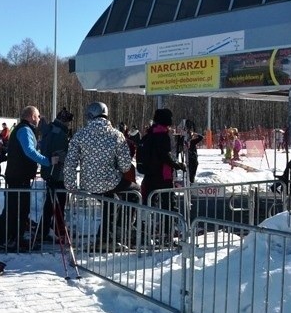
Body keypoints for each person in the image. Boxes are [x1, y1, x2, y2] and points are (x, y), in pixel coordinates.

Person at [63, 102, 138, 251]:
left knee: (111, 202)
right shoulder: (116, 134)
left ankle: (106, 237)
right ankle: (120, 228)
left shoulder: (80, 135)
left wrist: (70, 185)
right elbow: (125, 165)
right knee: (135, 192)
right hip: (111, 182)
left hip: (88, 183)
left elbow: (70, 162)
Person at [0, 106, 56, 250]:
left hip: (18, 175)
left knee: (16, 208)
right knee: (18, 209)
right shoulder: (24, 130)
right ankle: (10, 239)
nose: (39, 118)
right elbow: (29, 151)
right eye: (38, 116)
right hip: (19, 176)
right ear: (32, 116)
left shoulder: (22, 129)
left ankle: (8, 238)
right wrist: (47, 161)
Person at [36, 108, 73, 243]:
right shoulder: (59, 133)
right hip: (57, 174)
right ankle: (57, 230)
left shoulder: (50, 129)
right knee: (58, 203)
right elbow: (59, 153)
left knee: (50, 204)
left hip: (50, 171)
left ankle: (45, 229)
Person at [139, 108, 186, 210]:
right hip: (163, 176)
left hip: (149, 175)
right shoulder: (163, 136)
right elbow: (165, 156)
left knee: (147, 204)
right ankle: (166, 225)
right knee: (168, 205)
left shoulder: (149, 134)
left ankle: (144, 224)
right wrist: (178, 165)